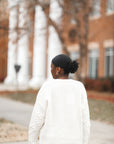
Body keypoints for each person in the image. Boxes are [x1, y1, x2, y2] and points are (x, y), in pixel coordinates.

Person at [29, 54, 91, 144]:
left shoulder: (47, 86)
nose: (51, 70)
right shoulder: (79, 87)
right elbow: (85, 120)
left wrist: (32, 141)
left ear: (58, 69)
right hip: (74, 140)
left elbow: (37, 119)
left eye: (52, 67)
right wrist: (84, 141)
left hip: (50, 140)